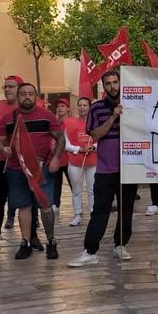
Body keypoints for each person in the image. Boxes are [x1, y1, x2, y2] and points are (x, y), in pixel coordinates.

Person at [69, 69, 133, 267]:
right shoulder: (96, 109)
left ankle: (120, 245)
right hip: (105, 169)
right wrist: (113, 117)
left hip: (129, 168)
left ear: (121, 83)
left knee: (126, 209)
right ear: (103, 87)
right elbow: (95, 135)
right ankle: (90, 250)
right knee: (100, 210)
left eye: (115, 82)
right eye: (108, 83)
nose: (113, 87)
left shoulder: (133, 104)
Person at [0, 82, 63, 261]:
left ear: (36, 96)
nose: (27, 97)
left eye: (31, 94)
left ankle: (51, 242)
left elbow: (60, 138)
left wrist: (56, 159)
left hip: (42, 169)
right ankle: (25, 243)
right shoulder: (9, 118)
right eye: (23, 94)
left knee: (46, 205)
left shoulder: (47, 116)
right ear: (18, 96)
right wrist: (2, 148)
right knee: (23, 206)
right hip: (17, 170)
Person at [0, 75, 33, 253]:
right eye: (5, 86)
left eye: (11, 86)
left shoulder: (28, 105)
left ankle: (32, 237)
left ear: (19, 88)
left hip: (23, 163)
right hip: (1, 161)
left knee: (28, 200)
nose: (7, 89)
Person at [63, 96, 96, 227]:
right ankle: (77, 214)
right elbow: (66, 144)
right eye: (80, 105)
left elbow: (100, 139)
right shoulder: (69, 123)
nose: (82, 107)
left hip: (93, 161)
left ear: (89, 107)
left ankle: (94, 214)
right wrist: (80, 149)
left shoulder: (96, 122)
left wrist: (93, 147)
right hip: (75, 162)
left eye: (85, 105)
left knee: (92, 189)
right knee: (76, 190)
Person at [51, 98, 74, 210]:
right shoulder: (54, 122)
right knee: (56, 182)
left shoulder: (71, 122)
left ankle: (77, 203)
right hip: (57, 158)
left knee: (73, 182)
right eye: (58, 106)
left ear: (68, 109)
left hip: (69, 158)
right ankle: (55, 203)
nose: (60, 108)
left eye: (62, 106)